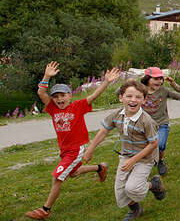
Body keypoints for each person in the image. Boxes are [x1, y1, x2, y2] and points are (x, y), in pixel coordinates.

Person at [26, 62, 120, 220]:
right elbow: (41, 92)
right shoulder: (52, 108)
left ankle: (45, 210)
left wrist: (106, 82)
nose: (59, 99)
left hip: (76, 149)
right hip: (64, 149)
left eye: (63, 95)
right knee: (74, 172)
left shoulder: (78, 106)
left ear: (70, 95)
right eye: (56, 96)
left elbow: (94, 95)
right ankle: (100, 168)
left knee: (57, 177)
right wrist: (47, 76)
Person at [85, 79, 167, 221]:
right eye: (129, 96)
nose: (133, 100)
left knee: (133, 188)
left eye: (138, 97)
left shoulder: (146, 121)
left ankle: (154, 185)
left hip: (145, 159)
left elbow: (154, 143)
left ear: (144, 100)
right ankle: (136, 209)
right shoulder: (117, 115)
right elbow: (104, 131)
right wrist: (90, 149)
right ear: (121, 97)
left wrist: (134, 160)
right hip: (126, 156)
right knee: (120, 192)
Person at [138, 67, 180, 175]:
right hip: (145, 125)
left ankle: (160, 161)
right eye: (156, 79)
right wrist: (131, 82)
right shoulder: (140, 90)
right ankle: (145, 163)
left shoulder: (164, 91)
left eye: (161, 79)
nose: (160, 81)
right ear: (147, 79)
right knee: (144, 146)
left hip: (162, 123)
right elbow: (120, 92)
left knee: (161, 145)